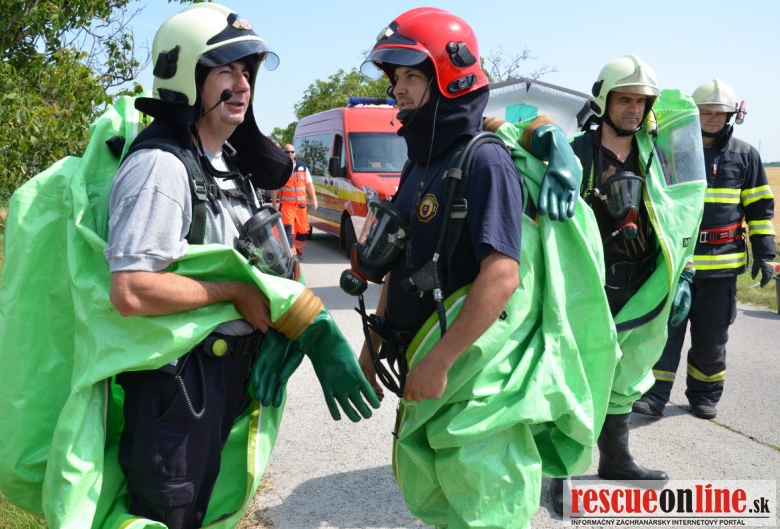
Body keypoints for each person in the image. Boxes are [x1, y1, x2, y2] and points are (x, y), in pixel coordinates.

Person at [106, 4, 377, 528]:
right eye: (226, 71)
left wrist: (288, 324)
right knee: (170, 516)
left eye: (247, 72)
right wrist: (232, 293)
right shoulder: (161, 167)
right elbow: (132, 291)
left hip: (226, 380)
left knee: (215, 512)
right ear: (188, 77)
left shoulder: (230, 163)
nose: (243, 84)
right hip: (177, 391)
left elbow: (271, 263)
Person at [350, 8, 621, 528]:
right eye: (395, 77)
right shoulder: (419, 161)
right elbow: (402, 263)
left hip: (473, 380)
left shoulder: (484, 160)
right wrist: (372, 349)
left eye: (410, 76)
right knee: (444, 504)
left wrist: (440, 361)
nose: (397, 89)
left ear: (449, 77)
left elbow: (501, 275)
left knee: (488, 511)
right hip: (429, 364)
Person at [548, 55, 707, 514]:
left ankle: (616, 459)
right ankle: (563, 471)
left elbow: (683, 212)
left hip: (644, 284)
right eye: (625, 100)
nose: (634, 109)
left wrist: (685, 272)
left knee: (628, 374)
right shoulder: (575, 154)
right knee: (577, 378)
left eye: (641, 101)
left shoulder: (659, 156)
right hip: (587, 286)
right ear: (604, 101)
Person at [634, 79, 776, 421]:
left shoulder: (746, 156)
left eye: (720, 112)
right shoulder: (672, 149)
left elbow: (759, 210)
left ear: (732, 115)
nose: (713, 117)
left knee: (712, 340)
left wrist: (766, 254)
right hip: (675, 263)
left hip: (722, 267)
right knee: (663, 334)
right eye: (706, 111)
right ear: (694, 114)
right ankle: (653, 396)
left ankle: (704, 397)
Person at [270, 144, 318, 257]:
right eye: (287, 152)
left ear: (295, 153)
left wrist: (314, 200)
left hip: (301, 206)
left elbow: (309, 184)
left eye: (292, 152)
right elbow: (274, 188)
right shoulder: (280, 167)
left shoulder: (303, 167)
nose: (290, 154)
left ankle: (299, 249)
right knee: (289, 230)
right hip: (287, 206)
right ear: (283, 153)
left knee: (303, 230)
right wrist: (274, 204)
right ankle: (290, 253)